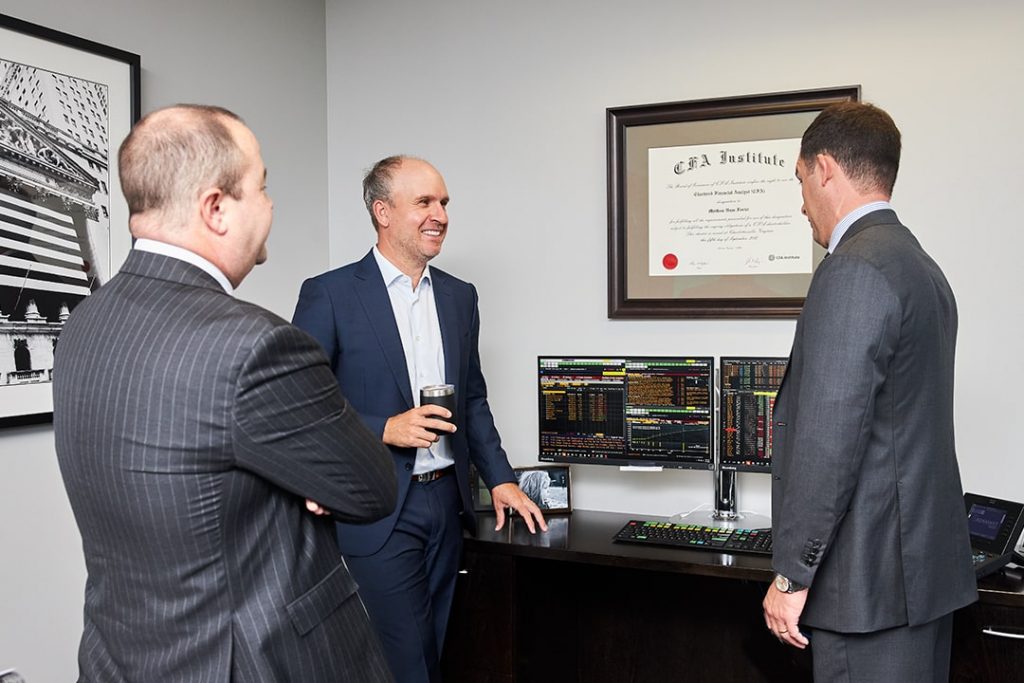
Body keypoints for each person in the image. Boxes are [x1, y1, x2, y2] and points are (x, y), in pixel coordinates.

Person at [52, 105, 398, 682]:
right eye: (261, 187)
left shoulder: (83, 324)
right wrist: (308, 477)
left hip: (120, 661)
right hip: (245, 662)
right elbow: (368, 487)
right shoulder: (256, 344)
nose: (270, 205)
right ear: (216, 209)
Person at [292, 155, 547, 682]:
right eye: (425, 202)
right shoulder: (331, 294)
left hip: (447, 504)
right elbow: (300, 403)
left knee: (435, 649)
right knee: (408, 662)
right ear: (382, 212)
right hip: (377, 505)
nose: (441, 215)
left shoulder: (459, 296)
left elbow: (472, 397)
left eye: (444, 203)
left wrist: (500, 479)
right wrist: (382, 428)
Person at [762, 102, 977, 681]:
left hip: (865, 590)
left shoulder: (854, 270)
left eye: (800, 179)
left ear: (825, 168)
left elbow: (830, 440)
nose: (801, 201)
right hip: (916, 581)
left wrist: (791, 576)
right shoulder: (919, 265)